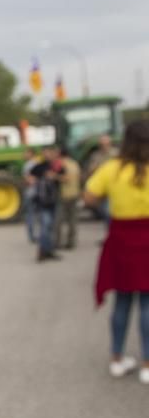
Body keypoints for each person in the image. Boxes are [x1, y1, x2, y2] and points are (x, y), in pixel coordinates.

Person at [83, 120, 149, 385]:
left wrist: (107, 207)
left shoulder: (111, 168)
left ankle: (117, 359)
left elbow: (88, 198)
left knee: (122, 300)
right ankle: (147, 363)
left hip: (121, 238)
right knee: (147, 302)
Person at [30, 146, 64, 262]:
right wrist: (33, 180)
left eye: (49, 152)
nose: (47, 155)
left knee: (50, 227)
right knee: (45, 226)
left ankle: (48, 250)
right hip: (42, 202)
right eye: (45, 153)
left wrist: (55, 176)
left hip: (54, 201)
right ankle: (42, 250)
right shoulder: (39, 167)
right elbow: (29, 177)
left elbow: (67, 178)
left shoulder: (57, 166)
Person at [54, 148, 81, 250]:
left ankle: (57, 242)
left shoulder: (61, 163)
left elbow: (66, 178)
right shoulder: (75, 163)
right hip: (75, 193)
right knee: (72, 219)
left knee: (58, 220)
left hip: (64, 194)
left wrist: (54, 176)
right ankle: (71, 242)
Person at [22, 147, 40, 244]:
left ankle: (32, 235)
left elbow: (28, 179)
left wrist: (28, 180)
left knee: (30, 215)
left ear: (31, 153)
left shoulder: (29, 165)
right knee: (35, 215)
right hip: (36, 192)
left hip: (31, 193)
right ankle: (35, 235)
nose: (24, 155)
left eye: (26, 153)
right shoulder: (36, 163)